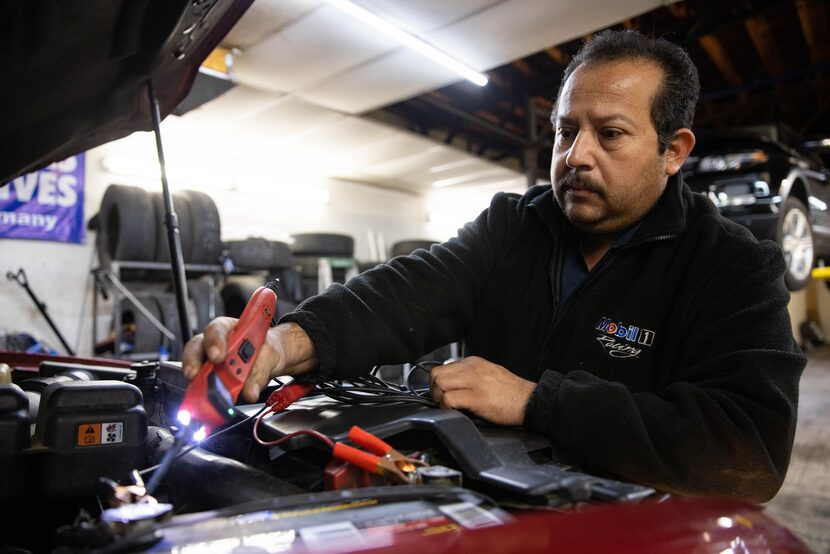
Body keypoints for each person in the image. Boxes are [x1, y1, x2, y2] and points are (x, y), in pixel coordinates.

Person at [183, 30, 805, 502]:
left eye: (609, 135)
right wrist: (284, 344)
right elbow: (407, 292)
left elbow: (749, 448)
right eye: (566, 131)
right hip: (486, 508)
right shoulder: (515, 224)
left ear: (673, 151)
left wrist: (537, 402)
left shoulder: (732, 266)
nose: (576, 156)